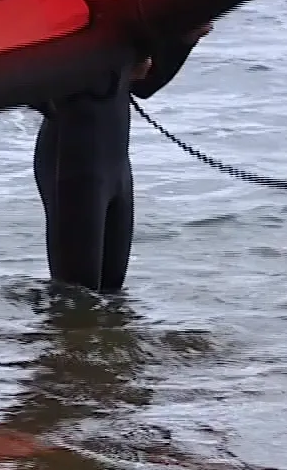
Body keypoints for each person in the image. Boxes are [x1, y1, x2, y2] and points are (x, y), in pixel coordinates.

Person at [32, 21, 211, 294]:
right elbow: (32, 87)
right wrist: (108, 68)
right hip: (72, 160)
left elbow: (144, 84)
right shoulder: (64, 13)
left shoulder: (121, 14)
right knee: (76, 295)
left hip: (115, 164)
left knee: (113, 296)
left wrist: (185, 39)